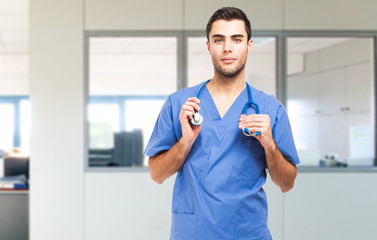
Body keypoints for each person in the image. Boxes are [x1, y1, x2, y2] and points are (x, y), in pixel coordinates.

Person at [145, 7, 300, 240]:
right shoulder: (180, 104)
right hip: (193, 233)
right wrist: (185, 141)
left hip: (248, 233)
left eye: (236, 39)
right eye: (219, 40)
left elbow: (287, 183)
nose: (227, 48)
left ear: (249, 44)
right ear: (208, 45)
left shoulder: (270, 109)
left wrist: (269, 145)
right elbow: (156, 174)